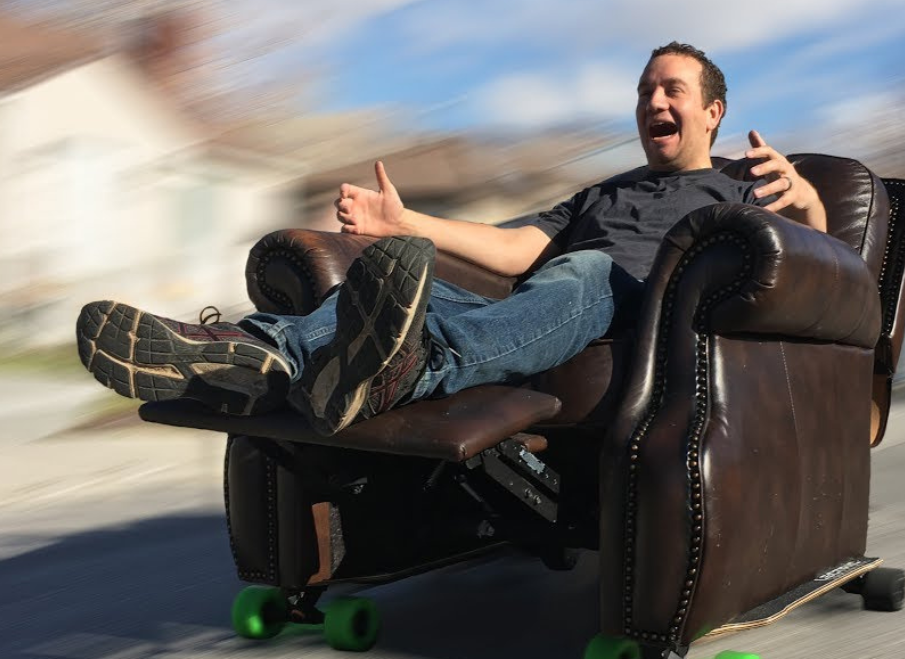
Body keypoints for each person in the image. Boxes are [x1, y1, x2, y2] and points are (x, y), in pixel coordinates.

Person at [76, 41, 826, 436]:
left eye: (673, 90)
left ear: (714, 112)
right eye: (643, 90)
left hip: (631, 312)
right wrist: (402, 225)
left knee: (586, 272)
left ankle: (414, 369)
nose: (653, 101)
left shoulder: (748, 184)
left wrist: (810, 205)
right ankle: (249, 353)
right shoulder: (602, 192)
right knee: (413, 292)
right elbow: (514, 248)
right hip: (548, 302)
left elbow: (830, 274)